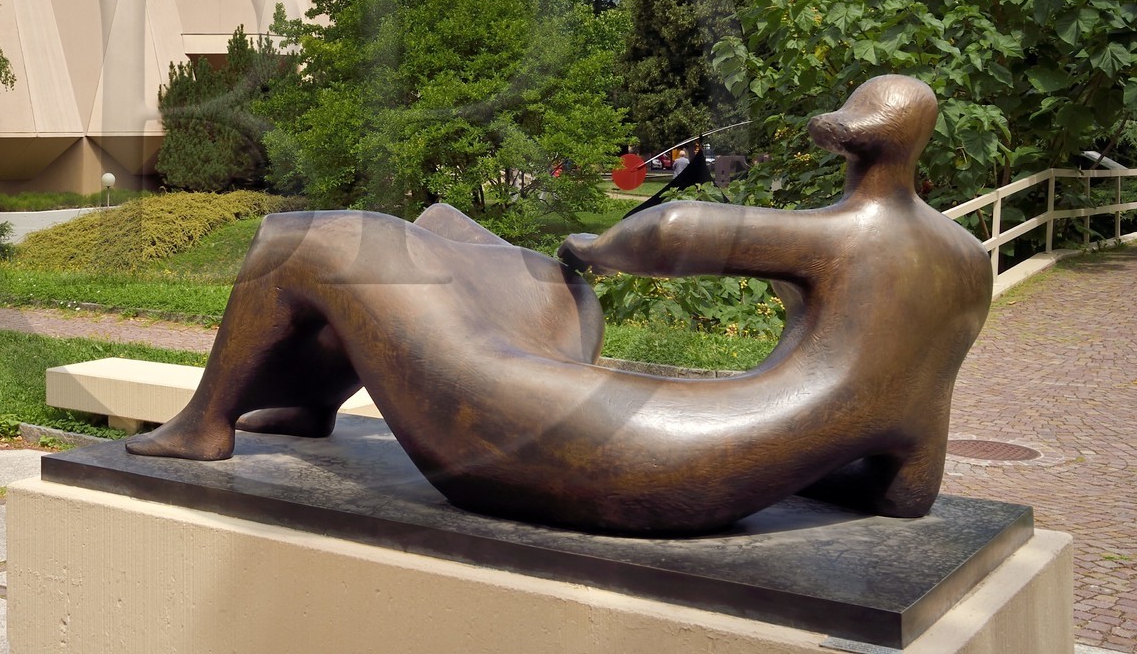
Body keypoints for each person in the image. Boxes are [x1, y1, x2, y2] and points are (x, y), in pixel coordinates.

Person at [128, 76, 992, 535]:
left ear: (851, 140)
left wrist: (598, 247)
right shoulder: (963, 263)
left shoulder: (845, 238)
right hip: (734, 464)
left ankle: (205, 424)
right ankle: (309, 402)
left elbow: (677, 229)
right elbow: (908, 491)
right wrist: (812, 470)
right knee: (444, 228)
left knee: (307, 239)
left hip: (618, 460)